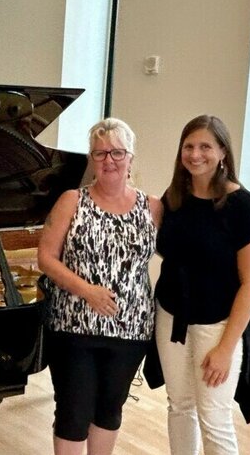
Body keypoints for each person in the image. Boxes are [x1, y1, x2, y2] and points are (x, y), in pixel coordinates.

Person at [38, 117, 163, 455]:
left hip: (131, 329)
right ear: (91, 159)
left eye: (117, 152)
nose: (109, 160)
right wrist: (86, 290)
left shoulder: (152, 207)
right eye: (100, 153)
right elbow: (46, 258)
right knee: (73, 413)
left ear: (131, 158)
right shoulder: (71, 201)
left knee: (110, 411)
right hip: (74, 325)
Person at [153, 115, 250, 455]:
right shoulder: (174, 197)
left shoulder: (242, 206)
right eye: (189, 146)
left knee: (214, 417)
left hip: (217, 326)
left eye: (205, 146)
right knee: (179, 405)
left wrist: (226, 349)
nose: (195, 154)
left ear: (223, 153)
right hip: (171, 316)